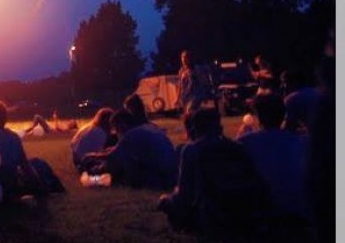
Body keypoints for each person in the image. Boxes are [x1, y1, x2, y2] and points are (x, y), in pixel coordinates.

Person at [158, 108, 268, 237]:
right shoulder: (237, 148)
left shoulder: (192, 150)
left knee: (166, 204)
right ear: (219, 127)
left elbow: (185, 196)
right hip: (242, 214)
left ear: (194, 129)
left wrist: (168, 200)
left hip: (211, 217)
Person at [237, 92, 311, 233]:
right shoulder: (301, 141)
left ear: (258, 115)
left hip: (264, 212)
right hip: (300, 209)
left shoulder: (246, 142)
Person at [83, 110, 176, 190]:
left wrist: (92, 156)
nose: (115, 132)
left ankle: (95, 178)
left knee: (121, 165)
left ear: (122, 124)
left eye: (115, 128)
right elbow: (119, 149)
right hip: (171, 173)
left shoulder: (131, 134)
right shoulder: (145, 128)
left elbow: (113, 155)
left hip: (160, 177)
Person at [0, 100, 50, 199]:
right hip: (13, 187)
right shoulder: (14, 136)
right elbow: (26, 166)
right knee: (36, 163)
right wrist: (39, 188)